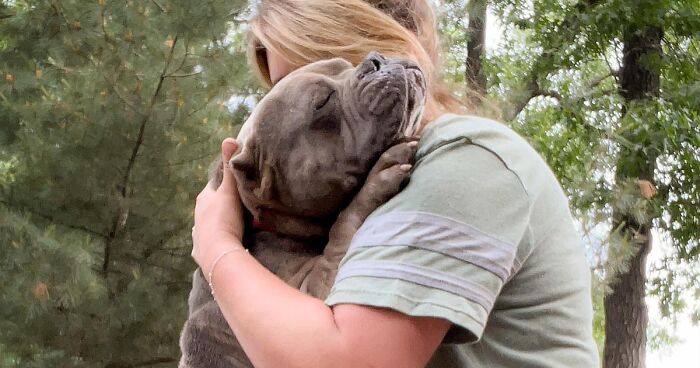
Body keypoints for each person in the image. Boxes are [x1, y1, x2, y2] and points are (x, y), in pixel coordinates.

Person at [191, 0, 600, 367]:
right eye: (282, 90)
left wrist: (217, 245)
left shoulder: (466, 157)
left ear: (385, 40)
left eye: (323, 72)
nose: (296, 98)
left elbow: (351, 361)